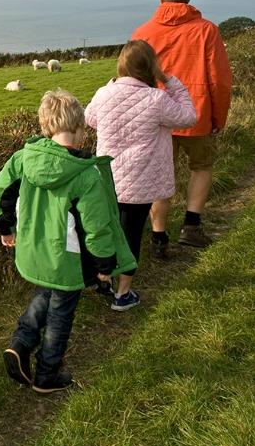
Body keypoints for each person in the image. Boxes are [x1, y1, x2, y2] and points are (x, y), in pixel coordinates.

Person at [0, 89, 136, 393]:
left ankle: (20, 343)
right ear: (81, 128)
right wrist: (105, 264)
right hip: (67, 259)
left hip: (32, 248)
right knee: (61, 312)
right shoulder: (86, 175)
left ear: (45, 126)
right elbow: (96, 228)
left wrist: (6, 228)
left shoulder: (22, 158)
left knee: (46, 293)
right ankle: (47, 373)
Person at [84, 40, 197, 311]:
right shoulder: (156, 99)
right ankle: (123, 294)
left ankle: (102, 278)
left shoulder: (104, 93)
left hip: (108, 179)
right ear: (150, 68)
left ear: (121, 66)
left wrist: (112, 86)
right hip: (139, 181)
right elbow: (189, 116)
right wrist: (170, 82)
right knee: (130, 235)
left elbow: (89, 118)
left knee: (106, 231)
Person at [131, 0, 232, 257]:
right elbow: (220, 81)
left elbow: (133, 79)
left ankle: (159, 236)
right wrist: (218, 118)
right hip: (196, 113)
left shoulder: (143, 33)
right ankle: (191, 226)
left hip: (156, 116)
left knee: (161, 175)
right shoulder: (206, 30)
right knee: (201, 167)